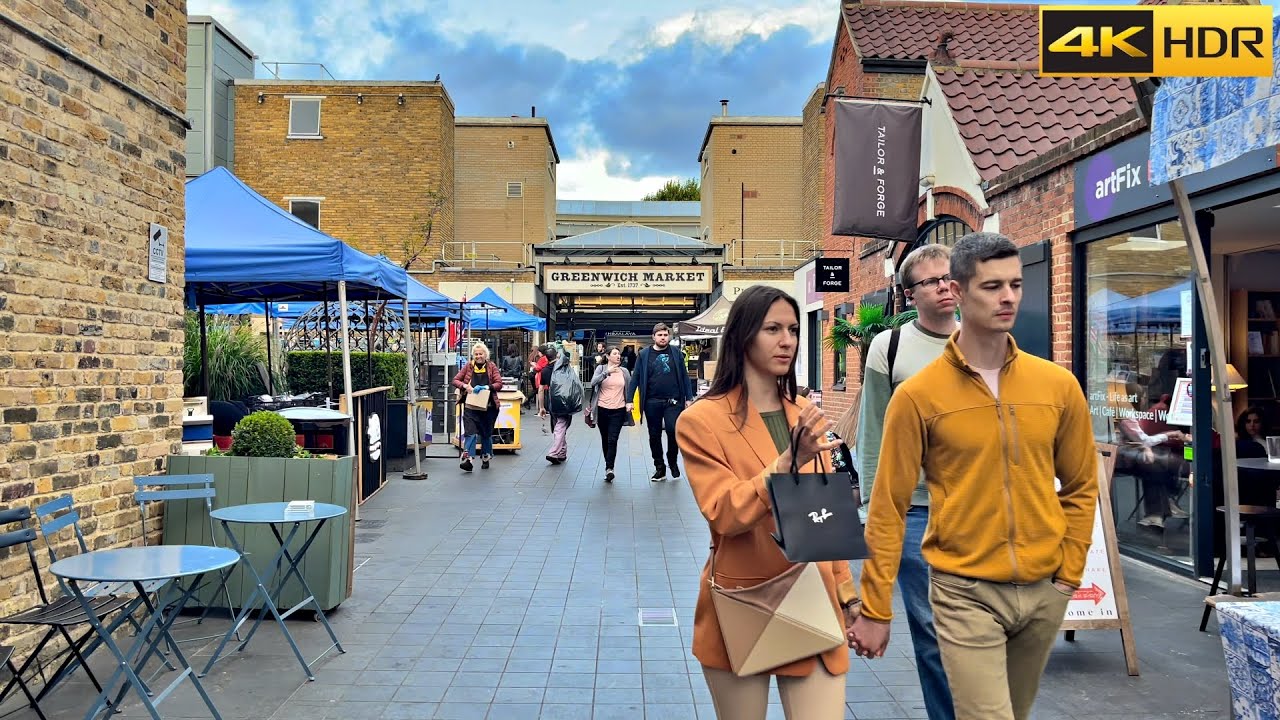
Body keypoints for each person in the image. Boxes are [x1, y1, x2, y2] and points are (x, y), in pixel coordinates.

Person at [848, 233, 1099, 720]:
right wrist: (877, 606)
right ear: (961, 291)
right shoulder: (917, 392)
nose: (1007, 297)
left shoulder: (1056, 385)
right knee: (968, 691)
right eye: (991, 286)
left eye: (1015, 285)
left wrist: (1068, 575)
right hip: (960, 580)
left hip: (1043, 587)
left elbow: (1082, 484)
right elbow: (886, 499)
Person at [675, 285, 855, 719]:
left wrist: (849, 596)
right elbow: (724, 511)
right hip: (744, 598)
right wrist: (788, 461)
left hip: (814, 599)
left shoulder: (801, 413)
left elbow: (824, 518)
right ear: (742, 336)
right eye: (772, 328)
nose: (787, 340)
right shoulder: (701, 420)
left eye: (793, 329)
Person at [852, 244, 959, 720]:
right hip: (916, 511)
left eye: (950, 277)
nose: (944, 286)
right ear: (909, 294)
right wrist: (875, 516)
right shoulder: (888, 348)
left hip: (980, 511)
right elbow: (873, 433)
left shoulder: (985, 339)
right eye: (931, 280)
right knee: (934, 632)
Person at [628, 322, 692, 481]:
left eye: (665, 335)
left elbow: (684, 376)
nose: (663, 338)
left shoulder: (676, 352)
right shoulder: (644, 355)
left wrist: (689, 398)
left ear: (669, 336)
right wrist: (629, 400)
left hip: (674, 401)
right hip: (651, 401)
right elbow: (635, 377)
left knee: (673, 431)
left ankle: (672, 460)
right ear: (653, 337)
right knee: (654, 435)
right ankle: (660, 467)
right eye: (660, 335)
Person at [451, 341, 503, 472]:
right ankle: (468, 459)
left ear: (486, 354)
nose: (478, 356)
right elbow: (455, 380)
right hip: (471, 406)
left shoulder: (491, 366)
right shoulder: (468, 366)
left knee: (486, 433)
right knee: (470, 432)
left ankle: (485, 456)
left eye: (481, 353)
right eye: (476, 354)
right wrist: (465, 386)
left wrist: (486, 387)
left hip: (489, 407)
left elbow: (499, 383)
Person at [590, 347, 633, 483]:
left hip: (618, 410)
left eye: (619, 354)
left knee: (612, 439)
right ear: (608, 356)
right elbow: (593, 382)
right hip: (602, 409)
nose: (618, 356)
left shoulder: (624, 372)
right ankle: (608, 465)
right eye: (615, 354)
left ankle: (610, 468)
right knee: (605, 438)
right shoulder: (601, 369)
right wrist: (606, 373)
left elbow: (630, 388)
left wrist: (630, 402)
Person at [539, 345, 573, 464]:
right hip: (565, 400)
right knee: (561, 425)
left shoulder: (544, 371)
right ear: (556, 355)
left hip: (552, 401)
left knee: (558, 425)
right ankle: (554, 452)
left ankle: (562, 452)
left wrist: (541, 407)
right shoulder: (563, 368)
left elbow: (541, 389)